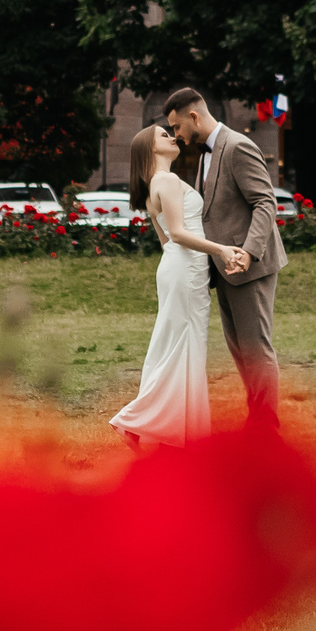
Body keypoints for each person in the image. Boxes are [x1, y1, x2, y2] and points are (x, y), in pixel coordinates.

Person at [109, 123, 251, 449]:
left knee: (174, 345)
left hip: (178, 267)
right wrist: (221, 250)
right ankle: (134, 420)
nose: (172, 137)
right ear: (150, 149)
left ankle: (169, 430)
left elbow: (165, 242)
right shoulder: (168, 181)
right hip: (184, 270)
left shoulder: (154, 186)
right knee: (182, 347)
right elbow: (176, 234)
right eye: (163, 135)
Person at [164, 89, 282, 420]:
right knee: (241, 351)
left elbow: (265, 202)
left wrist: (249, 252)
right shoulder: (207, 153)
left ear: (193, 117)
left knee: (256, 349)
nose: (176, 135)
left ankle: (265, 428)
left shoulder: (238, 146)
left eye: (176, 127)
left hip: (249, 267)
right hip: (224, 268)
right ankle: (257, 420)